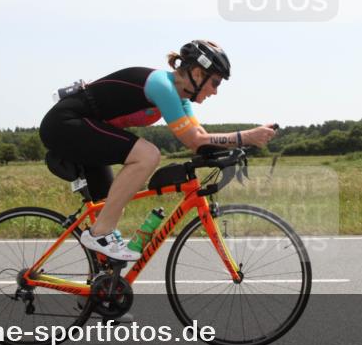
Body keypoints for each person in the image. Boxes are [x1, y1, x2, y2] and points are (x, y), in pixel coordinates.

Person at [39, 40, 278, 261]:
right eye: (215, 82)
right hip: (65, 124)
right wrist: (246, 137)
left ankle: (98, 293)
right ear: (197, 73)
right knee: (147, 155)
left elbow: (201, 139)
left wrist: (234, 148)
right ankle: (98, 234)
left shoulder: (180, 98)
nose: (215, 91)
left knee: (111, 206)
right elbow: (194, 141)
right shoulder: (162, 85)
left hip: (88, 129)